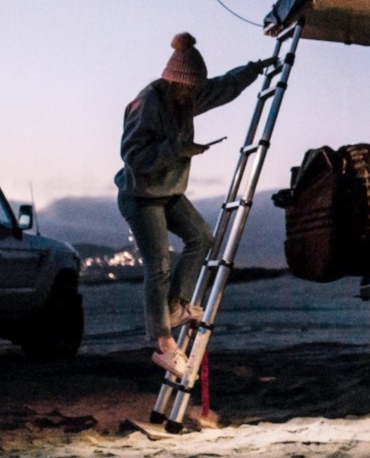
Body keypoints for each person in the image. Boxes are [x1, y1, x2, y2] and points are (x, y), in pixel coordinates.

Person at [115, 32, 275, 376]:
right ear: (174, 82)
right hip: (140, 195)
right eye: (188, 90)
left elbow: (223, 87)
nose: (192, 97)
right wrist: (177, 150)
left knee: (201, 237)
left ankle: (175, 307)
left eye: (194, 92)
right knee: (158, 265)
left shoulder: (186, 97)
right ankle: (163, 344)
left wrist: (255, 69)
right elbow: (132, 156)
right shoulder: (147, 105)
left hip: (168, 191)